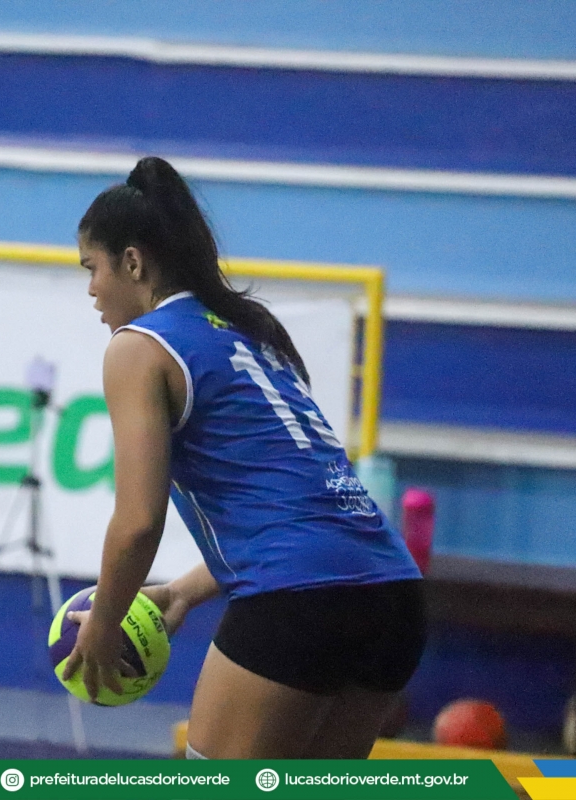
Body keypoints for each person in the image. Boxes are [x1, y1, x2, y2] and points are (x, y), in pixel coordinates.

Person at [61, 156, 425, 759]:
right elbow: (305, 509)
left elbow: (138, 522)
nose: (92, 289)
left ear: (133, 262)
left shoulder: (139, 348)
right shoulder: (247, 331)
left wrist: (103, 625)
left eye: (91, 268)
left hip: (298, 602)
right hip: (393, 597)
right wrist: (182, 592)